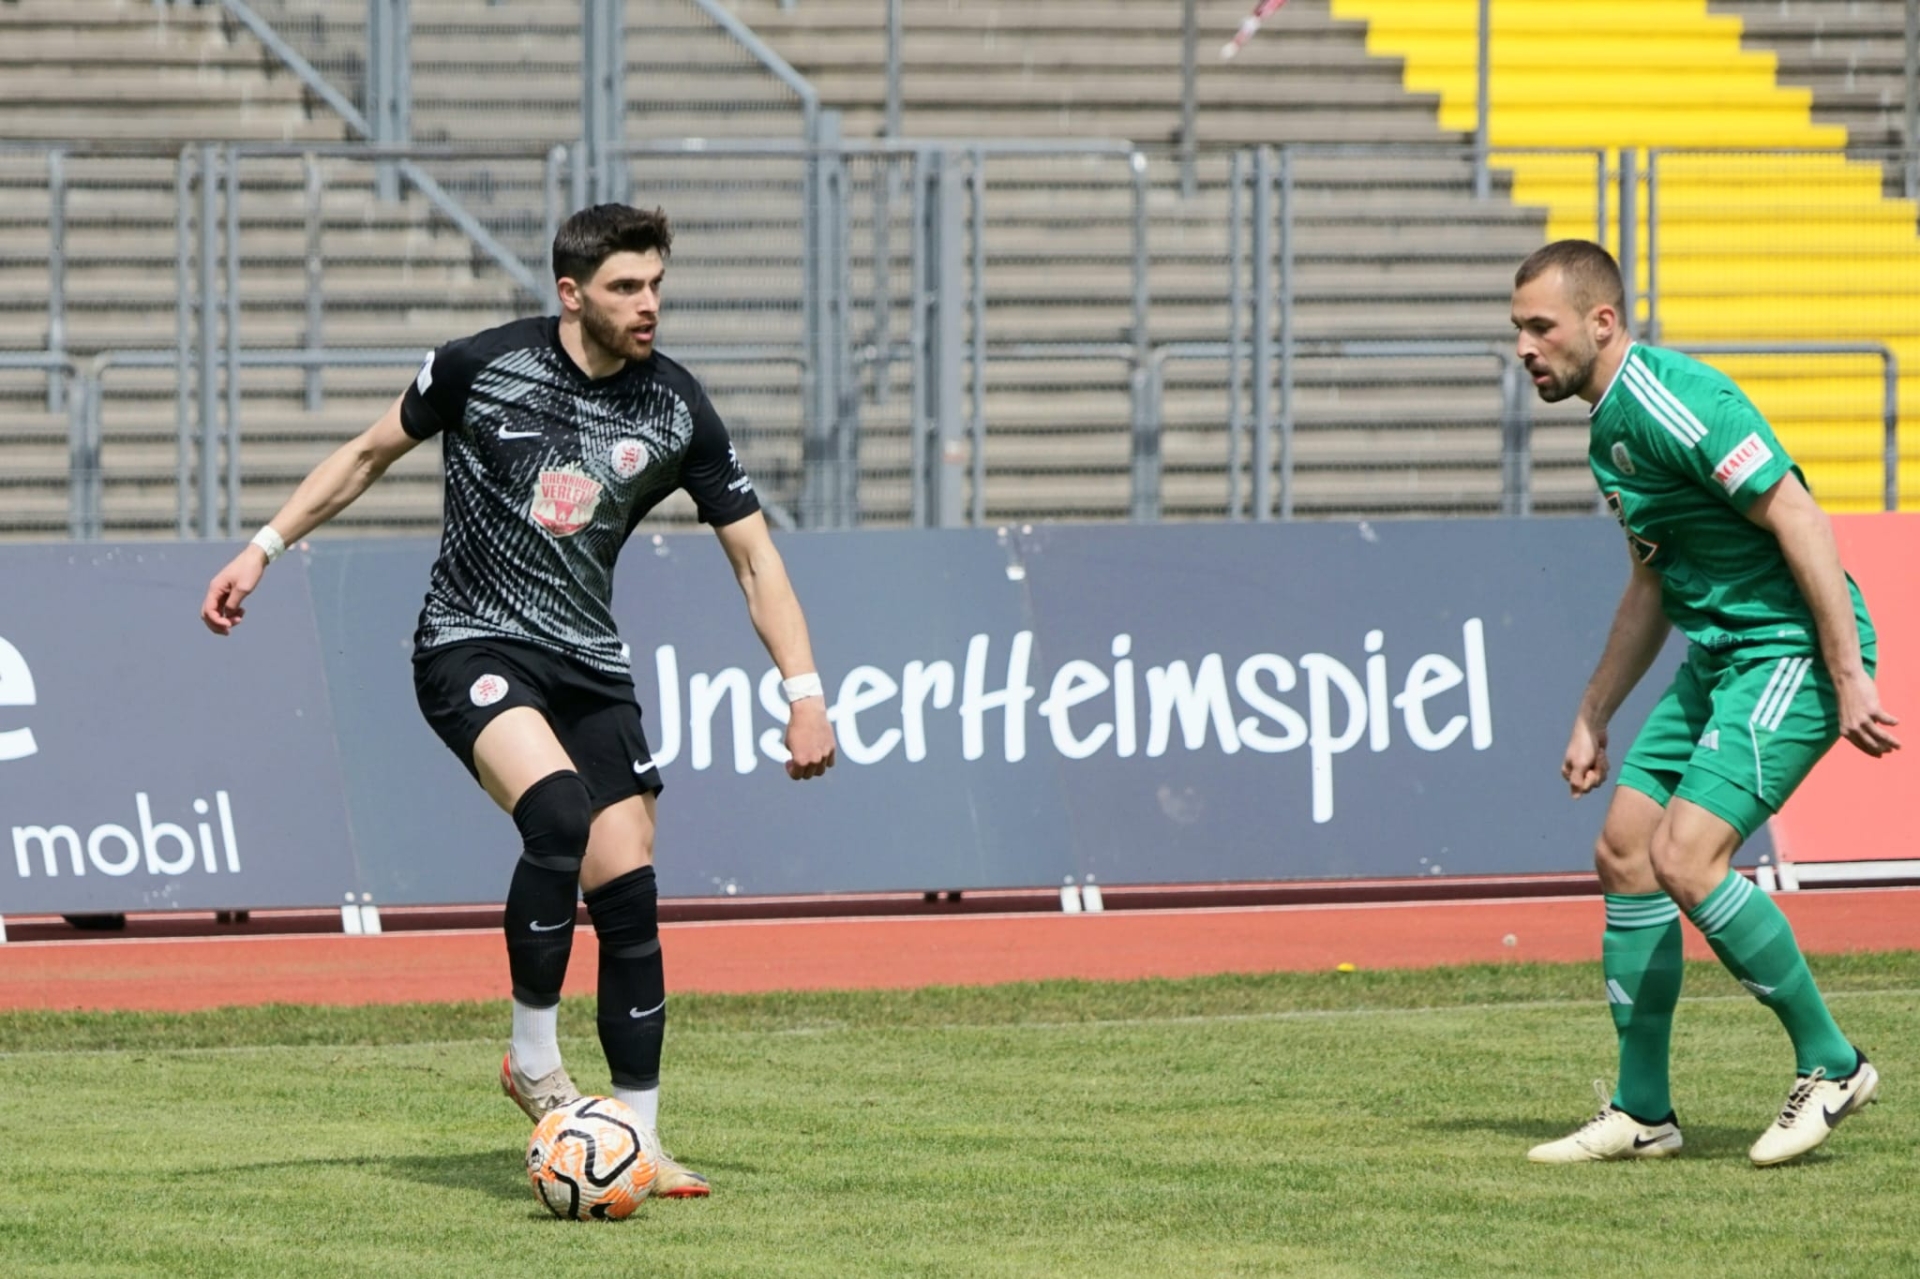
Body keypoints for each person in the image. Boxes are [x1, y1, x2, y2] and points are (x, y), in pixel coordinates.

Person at [200, 204, 838, 1197]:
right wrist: (263, 547)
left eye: (658, 284)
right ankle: (533, 1060)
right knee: (557, 812)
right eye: (628, 287)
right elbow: (368, 452)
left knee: (628, 893)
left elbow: (755, 558)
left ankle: (639, 1138)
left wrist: (805, 693)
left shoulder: (674, 407)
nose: (650, 305)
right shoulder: (479, 366)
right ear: (572, 292)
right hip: (471, 643)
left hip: (586, 661)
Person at [1510, 239, 1899, 1168]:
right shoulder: (1609, 429)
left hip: (1787, 652)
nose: (1523, 345)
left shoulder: (1673, 400)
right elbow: (1654, 580)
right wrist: (1594, 710)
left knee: (1688, 856)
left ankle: (1834, 1061)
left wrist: (1846, 673)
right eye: (1517, 328)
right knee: (1626, 853)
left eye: (1539, 326)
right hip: (1718, 658)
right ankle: (1644, 1109)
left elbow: (1800, 514)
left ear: (1601, 322)